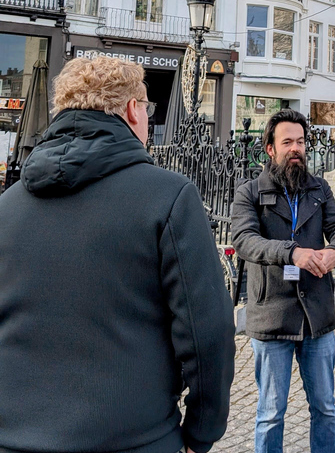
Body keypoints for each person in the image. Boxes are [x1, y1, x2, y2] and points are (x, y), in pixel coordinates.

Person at [0, 56, 236, 453]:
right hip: (133, 438)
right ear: (132, 110)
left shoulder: (7, 206)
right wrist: (201, 431)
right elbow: (207, 333)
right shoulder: (169, 196)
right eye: (147, 108)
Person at [231, 109, 335, 453]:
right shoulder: (250, 192)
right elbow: (244, 240)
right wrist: (293, 252)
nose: (295, 148)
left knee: (325, 409)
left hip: (317, 317)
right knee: (271, 413)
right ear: (271, 148)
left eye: (300, 141)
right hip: (273, 317)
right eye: (287, 142)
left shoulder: (319, 188)